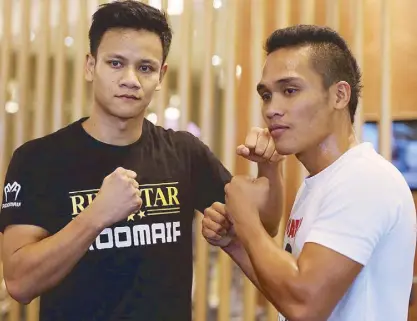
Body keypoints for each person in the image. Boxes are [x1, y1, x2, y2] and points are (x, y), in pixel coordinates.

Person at [0, 1, 285, 321]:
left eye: (145, 67)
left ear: (161, 75)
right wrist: (95, 217)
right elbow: (20, 282)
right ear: (90, 66)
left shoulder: (184, 152)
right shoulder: (39, 159)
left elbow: (263, 227)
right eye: (116, 63)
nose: (130, 79)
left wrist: (269, 168)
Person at [202, 25, 417, 321]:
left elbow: (305, 306)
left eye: (290, 90)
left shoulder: (364, 180)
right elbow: (289, 289)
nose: (271, 109)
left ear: (339, 96)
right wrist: (236, 243)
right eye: (266, 95)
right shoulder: (320, 183)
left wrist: (246, 218)